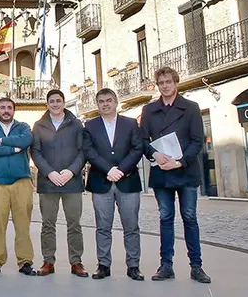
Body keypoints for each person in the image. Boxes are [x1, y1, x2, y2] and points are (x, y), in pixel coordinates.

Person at [140, 67, 211, 283]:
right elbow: (142, 140)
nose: (165, 86)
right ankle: (166, 265)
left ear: (176, 82)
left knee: (190, 217)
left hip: (186, 171)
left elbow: (197, 140)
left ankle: (196, 266)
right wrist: (155, 154)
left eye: (168, 82)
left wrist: (179, 162)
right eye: (161, 83)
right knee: (165, 218)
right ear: (157, 85)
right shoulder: (149, 110)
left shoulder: (191, 108)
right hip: (162, 172)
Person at [83, 89, 144, 281]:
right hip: (101, 182)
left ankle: (133, 266)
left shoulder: (131, 123)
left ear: (116, 102)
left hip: (128, 181)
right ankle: (103, 265)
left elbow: (137, 148)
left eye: (109, 100)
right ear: (97, 104)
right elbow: (89, 151)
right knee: (102, 227)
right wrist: (108, 170)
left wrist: (122, 169)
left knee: (131, 226)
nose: (105, 104)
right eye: (101, 101)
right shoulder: (90, 125)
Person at [31, 89, 88, 278]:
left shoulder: (76, 124)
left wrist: (71, 171)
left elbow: (83, 151)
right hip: (48, 183)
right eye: (51, 101)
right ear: (47, 104)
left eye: (58, 101)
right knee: (48, 224)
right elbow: (36, 152)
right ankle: (48, 261)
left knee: (74, 224)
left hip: (72, 182)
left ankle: (76, 262)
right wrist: (50, 173)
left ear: (63, 103)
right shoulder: (39, 126)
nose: (55, 104)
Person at [0, 98, 36, 277]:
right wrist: (13, 149)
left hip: (21, 181)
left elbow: (26, 140)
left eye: (9, 108)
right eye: (2, 108)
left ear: (14, 110)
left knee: (23, 224)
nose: (6, 111)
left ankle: (25, 261)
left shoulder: (23, 127)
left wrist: (2, 141)